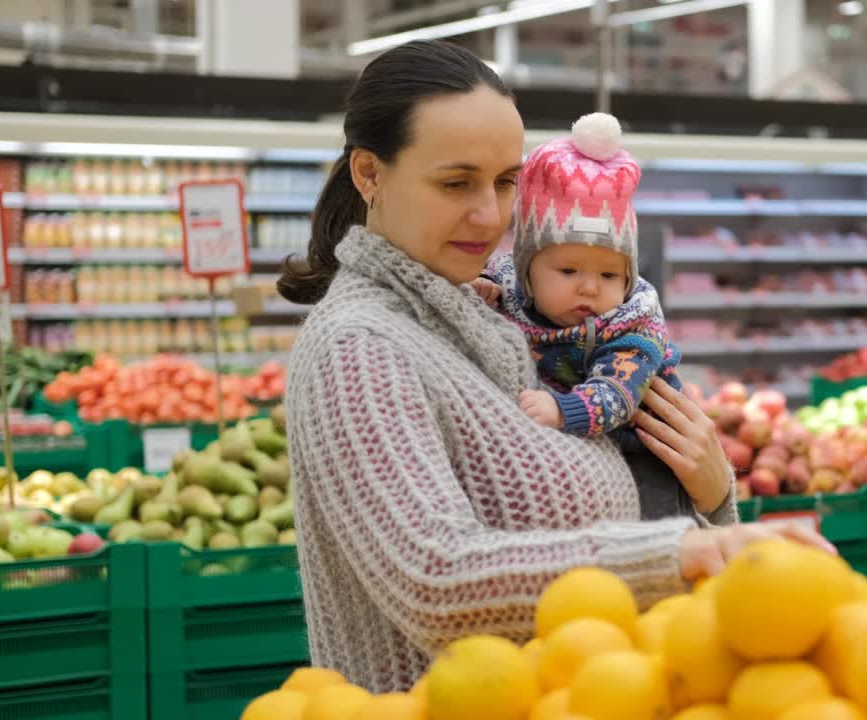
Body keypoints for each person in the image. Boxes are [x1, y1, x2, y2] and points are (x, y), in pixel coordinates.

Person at [277, 39, 836, 693]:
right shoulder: (358, 347)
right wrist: (689, 551)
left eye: (507, 181)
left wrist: (712, 499)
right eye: (456, 183)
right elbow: (435, 579)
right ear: (368, 173)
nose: (490, 215)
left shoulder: (492, 319)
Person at [471, 111, 693, 521]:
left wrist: (562, 410)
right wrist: (486, 286)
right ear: (528, 271)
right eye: (568, 271)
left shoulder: (631, 328)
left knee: (655, 519)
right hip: (576, 449)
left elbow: (618, 396)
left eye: (609, 274)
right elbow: (497, 271)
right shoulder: (512, 281)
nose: (589, 287)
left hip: (643, 445)